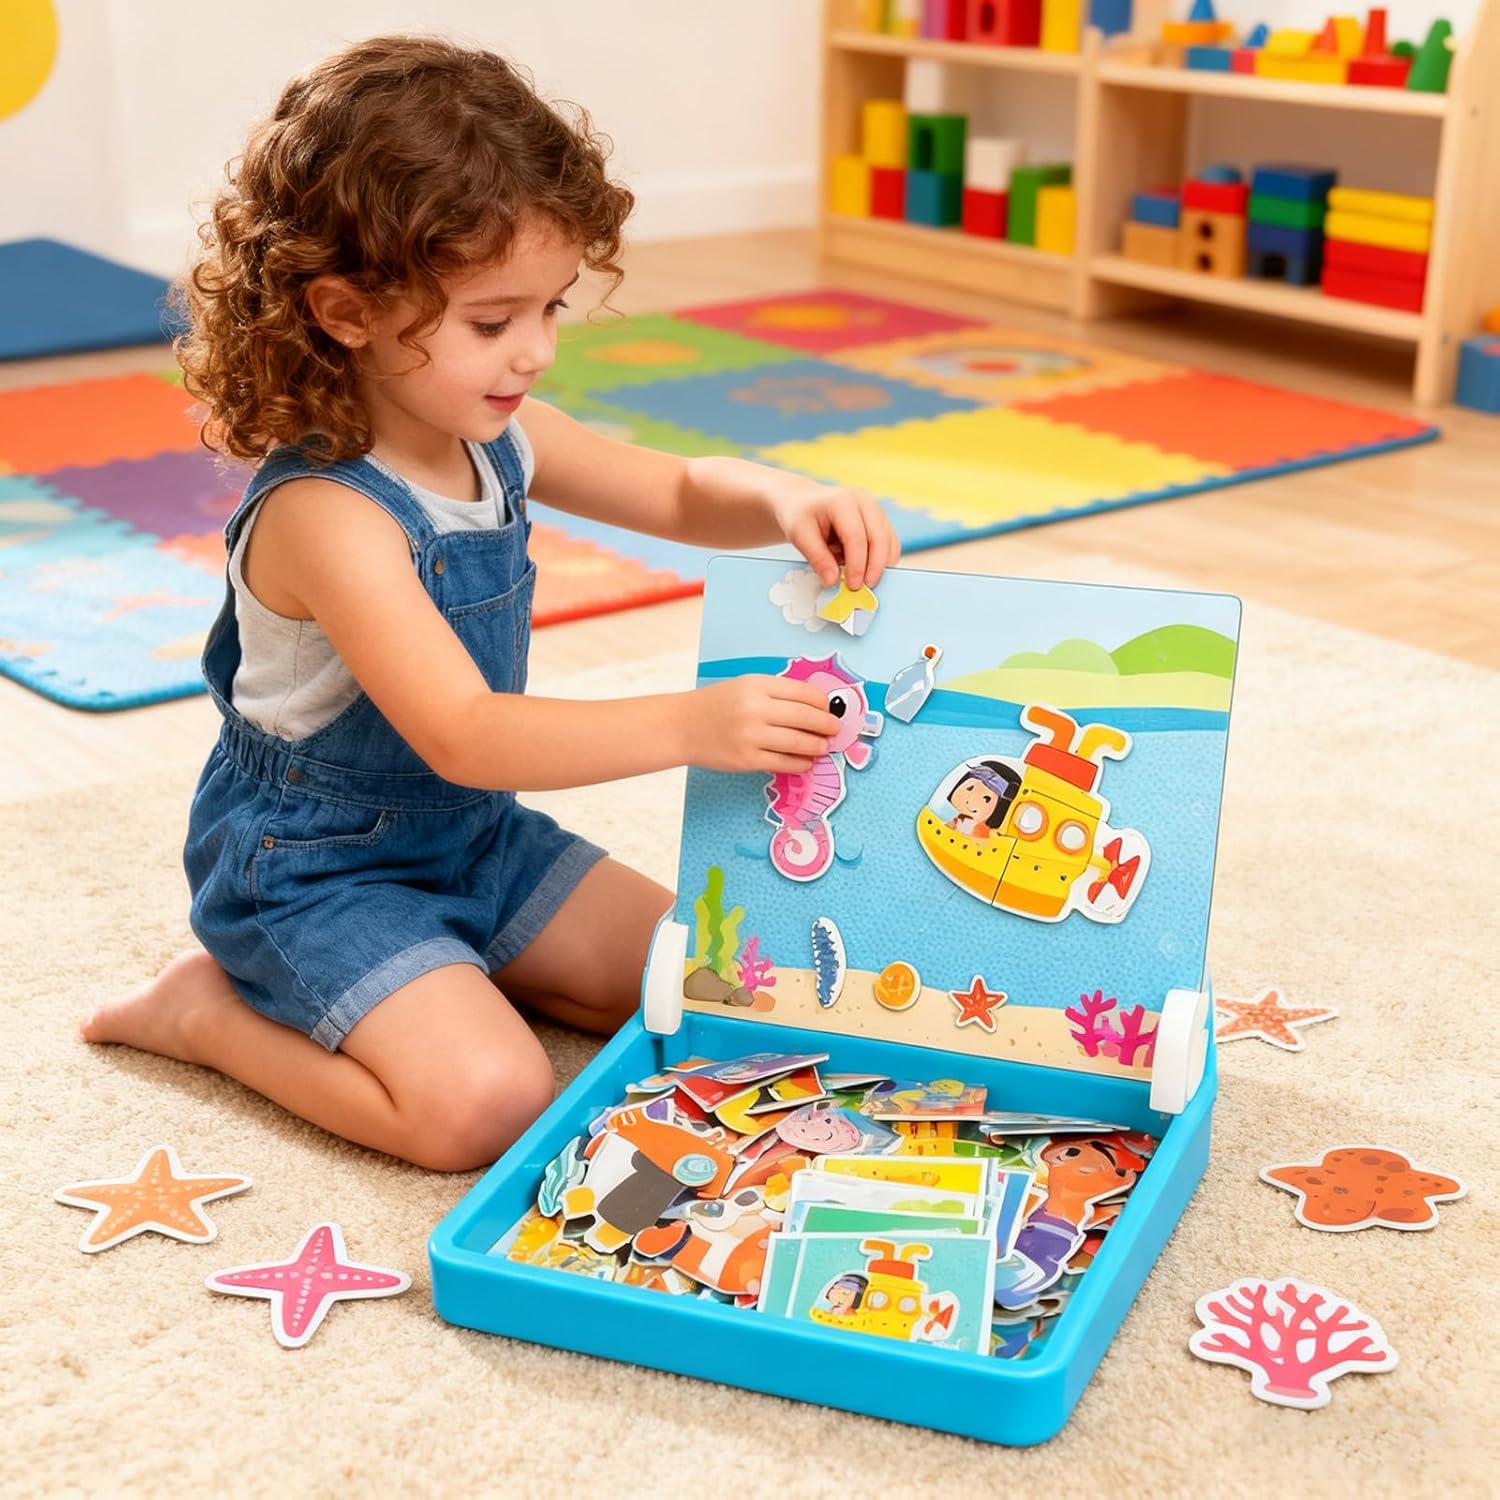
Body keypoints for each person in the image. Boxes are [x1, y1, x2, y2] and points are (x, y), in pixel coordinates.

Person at [80, 36, 899, 1171]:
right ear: (346, 311)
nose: (537, 352)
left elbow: (672, 490)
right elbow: (465, 733)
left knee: (728, 978)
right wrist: (691, 724)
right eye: (492, 322)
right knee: (483, 1104)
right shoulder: (328, 513)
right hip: (314, 875)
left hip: (476, 840)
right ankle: (204, 1014)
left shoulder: (498, 435)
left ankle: (451, 973)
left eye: (550, 308)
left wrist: (783, 496)